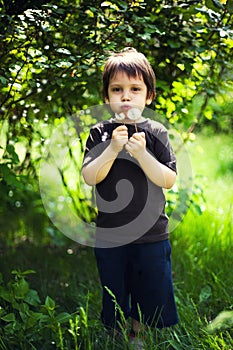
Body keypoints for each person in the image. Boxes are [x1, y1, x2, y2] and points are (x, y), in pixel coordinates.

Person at [82, 47, 178, 348]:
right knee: (115, 284)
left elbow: (169, 179)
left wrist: (141, 154)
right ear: (107, 96)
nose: (126, 97)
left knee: (147, 285)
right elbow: (90, 176)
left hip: (152, 233)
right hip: (111, 233)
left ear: (148, 96)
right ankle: (114, 332)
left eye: (134, 89)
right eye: (117, 89)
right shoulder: (99, 134)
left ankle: (138, 332)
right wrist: (112, 149)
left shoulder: (157, 132)